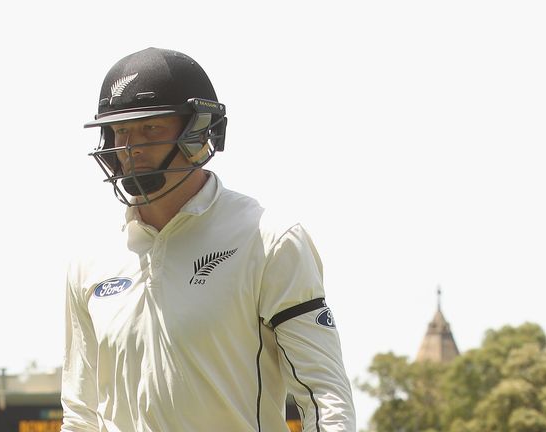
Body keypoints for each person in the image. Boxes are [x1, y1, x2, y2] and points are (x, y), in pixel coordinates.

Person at [61, 47, 356, 431]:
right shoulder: (89, 262)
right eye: (121, 131)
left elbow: (325, 398)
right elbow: (81, 413)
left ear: (197, 132)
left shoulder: (269, 240)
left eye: (150, 129)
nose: (131, 148)